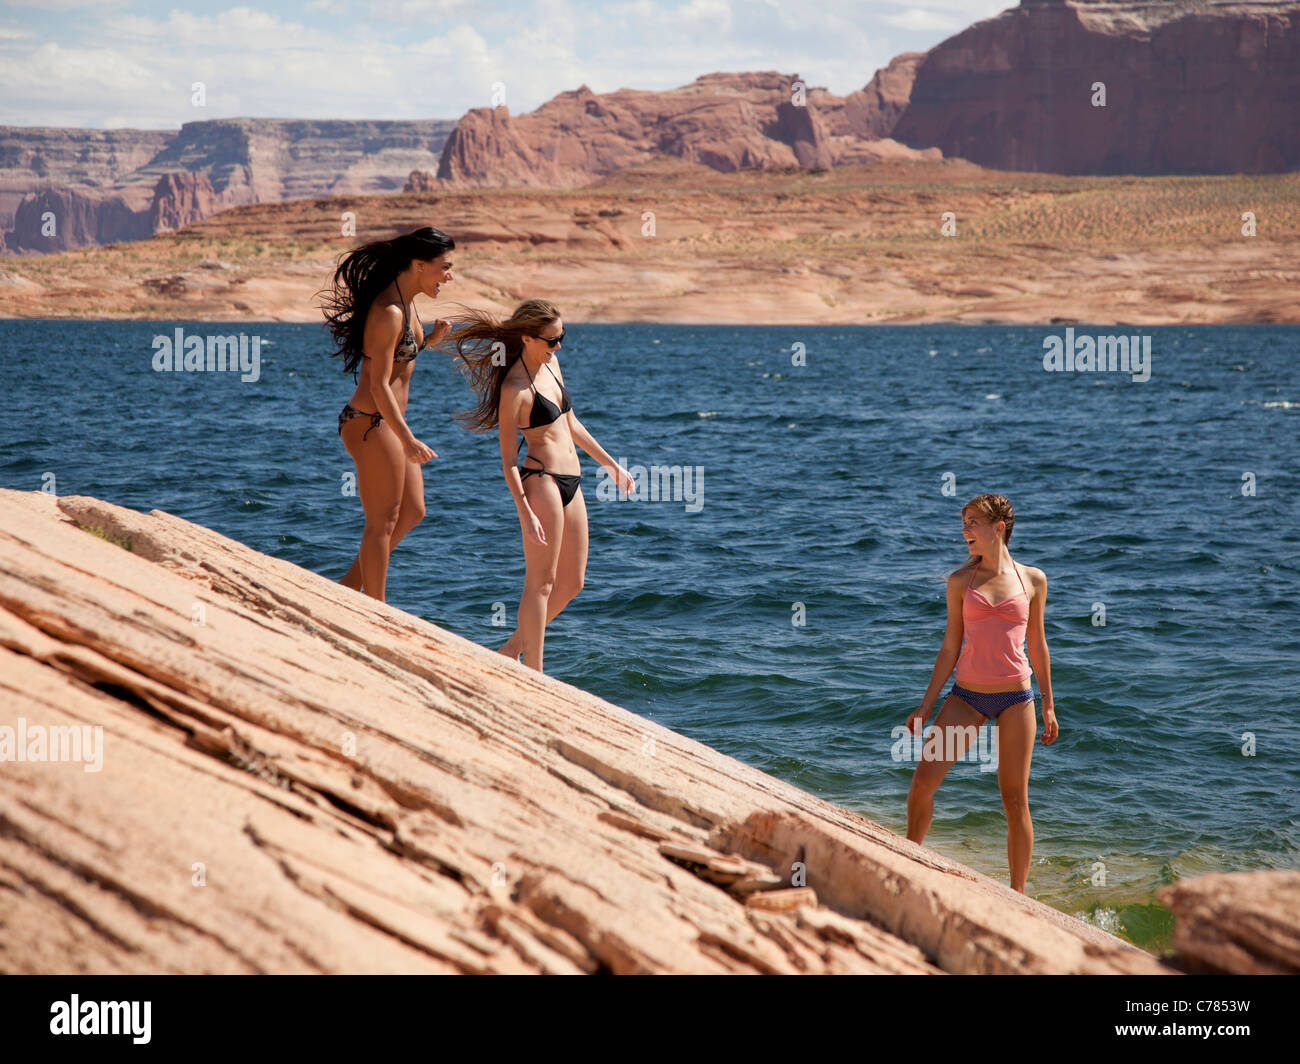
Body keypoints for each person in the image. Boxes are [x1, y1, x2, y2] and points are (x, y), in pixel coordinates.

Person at [449, 299, 634, 672]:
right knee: (542, 583)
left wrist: (611, 464)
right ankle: (534, 673)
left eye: (561, 337)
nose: (558, 346)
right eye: (551, 340)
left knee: (573, 582)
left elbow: (571, 423)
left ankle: (508, 650)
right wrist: (525, 510)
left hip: (573, 481)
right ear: (527, 338)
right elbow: (507, 462)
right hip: (542, 483)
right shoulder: (514, 389)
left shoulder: (552, 366)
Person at [905, 493, 1058, 893]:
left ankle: (1018, 895)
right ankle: (907, 859)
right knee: (922, 783)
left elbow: (1038, 645)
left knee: (1014, 800)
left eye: (973, 522)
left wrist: (1048, 705)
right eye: (964, 522)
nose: (965, 530)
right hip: (967, 696)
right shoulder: (960, 582)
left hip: (1016, 698)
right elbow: (949, 647)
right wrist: (926, 704)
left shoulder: (1033, 579)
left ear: (998, 528)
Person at [320, 226, 455, 602]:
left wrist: (429, 342)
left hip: (389, 424)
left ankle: (348, 586)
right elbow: (379, 385)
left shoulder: (406, 304)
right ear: (418, 264)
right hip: (369, 423)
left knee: (413, 510)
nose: (449, 275)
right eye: (444, 266)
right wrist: (408, 438)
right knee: (382, 521)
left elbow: (397, 361)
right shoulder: (389, 311)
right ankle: (375, 608)